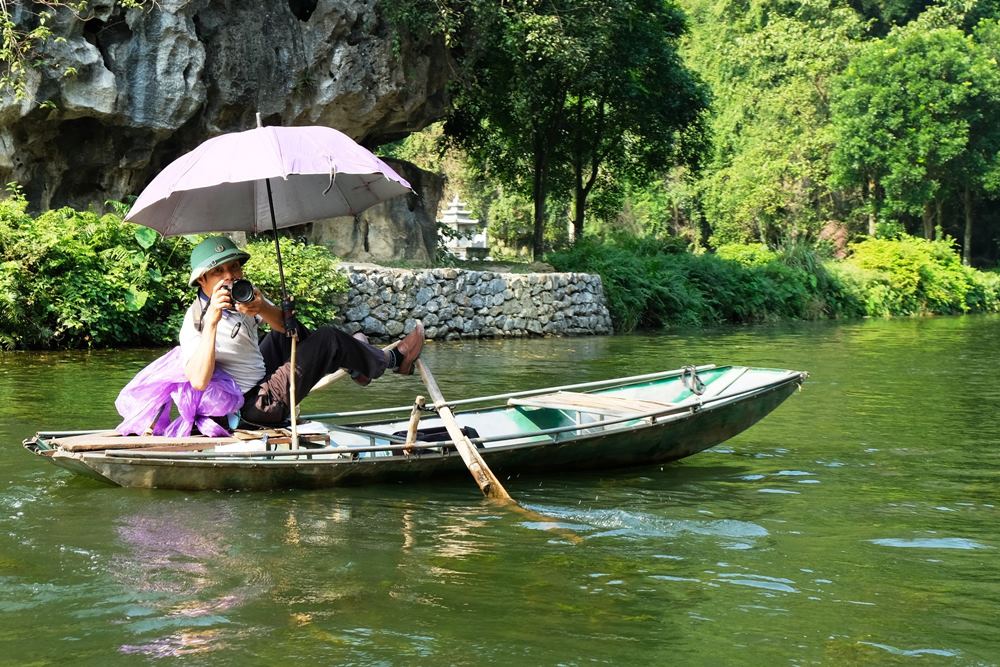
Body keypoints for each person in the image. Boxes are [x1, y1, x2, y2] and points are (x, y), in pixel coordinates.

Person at [179, 236, 423, 427]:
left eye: (234, 268)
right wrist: (212, 322)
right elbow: (199, 381)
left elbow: (289, 331)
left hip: (260, 381)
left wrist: (261, 307)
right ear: (202, 280)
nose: (230, 277)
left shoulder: (241, 295)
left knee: (282, 334)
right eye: (218, 272)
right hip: (251, 407)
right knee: (328, 339)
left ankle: (355, 362)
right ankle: (393, 360)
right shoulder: (196, 320)